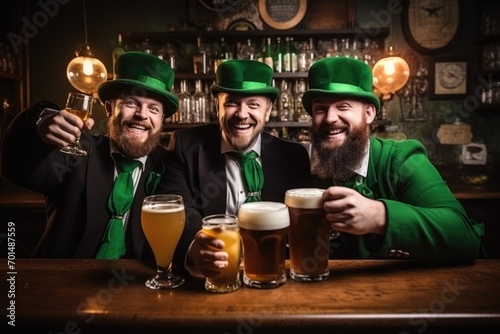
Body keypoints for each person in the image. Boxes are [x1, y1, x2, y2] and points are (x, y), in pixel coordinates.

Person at [1, 51, 188, 271]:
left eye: (153, 109)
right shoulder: (77, 148)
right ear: (109, 108)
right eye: (131, 103)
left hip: (135, 287)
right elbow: (18, 170)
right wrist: (39, 124)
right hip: (61, 285)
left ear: (161, 120)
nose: (142, 115)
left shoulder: (170, 166)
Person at [302, 56, 484, 262]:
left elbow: (465, 238)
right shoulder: (311, 173)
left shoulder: (401, 160)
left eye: (343, 106)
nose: (329, 118)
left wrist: (379, 216)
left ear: (369, 113)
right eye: (320, 109)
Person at [158, 59, 311, 278]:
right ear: (216, 106)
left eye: (253, 105)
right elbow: (179, 209)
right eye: (231, 103)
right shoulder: (185, 145)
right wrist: (194, 247)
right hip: (213, 278)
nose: (241, 114)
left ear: (267, 111)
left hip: (274, 276)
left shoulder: (294, 157)